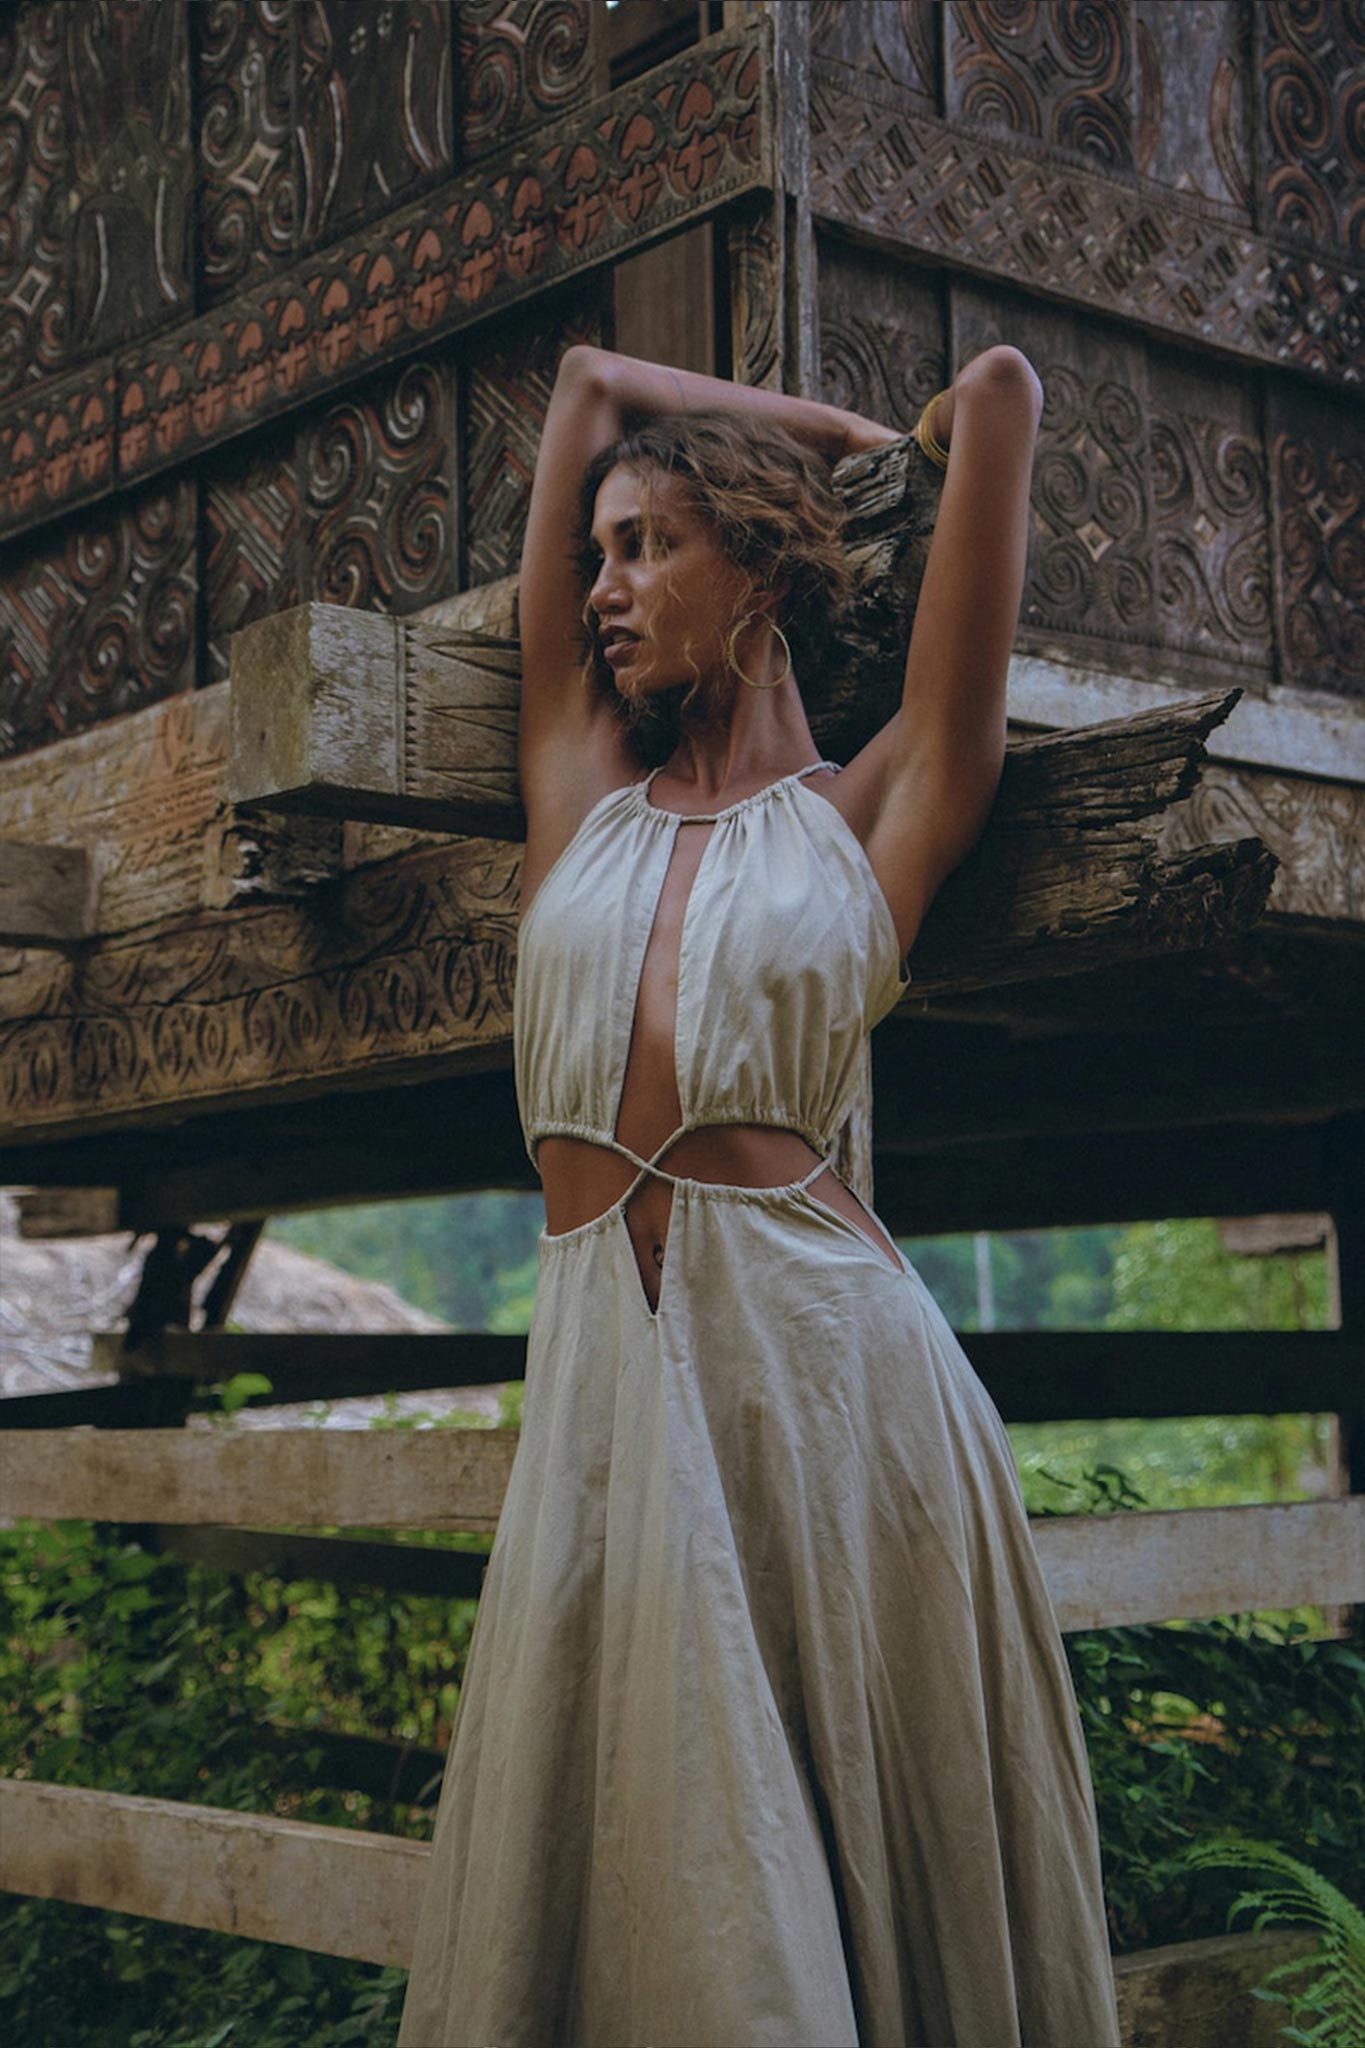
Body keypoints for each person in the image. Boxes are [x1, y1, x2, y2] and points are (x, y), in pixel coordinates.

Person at [397, 344, 1123, 2047]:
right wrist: (793, 442)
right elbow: (580, 380)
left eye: (647, 544)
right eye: (597, 553)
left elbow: (1004, 393)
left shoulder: (880, 806)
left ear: (761, 568)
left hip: (825, 1383)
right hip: (604, 1374)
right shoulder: (577, 796)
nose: (601, 591)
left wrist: (881, 455)